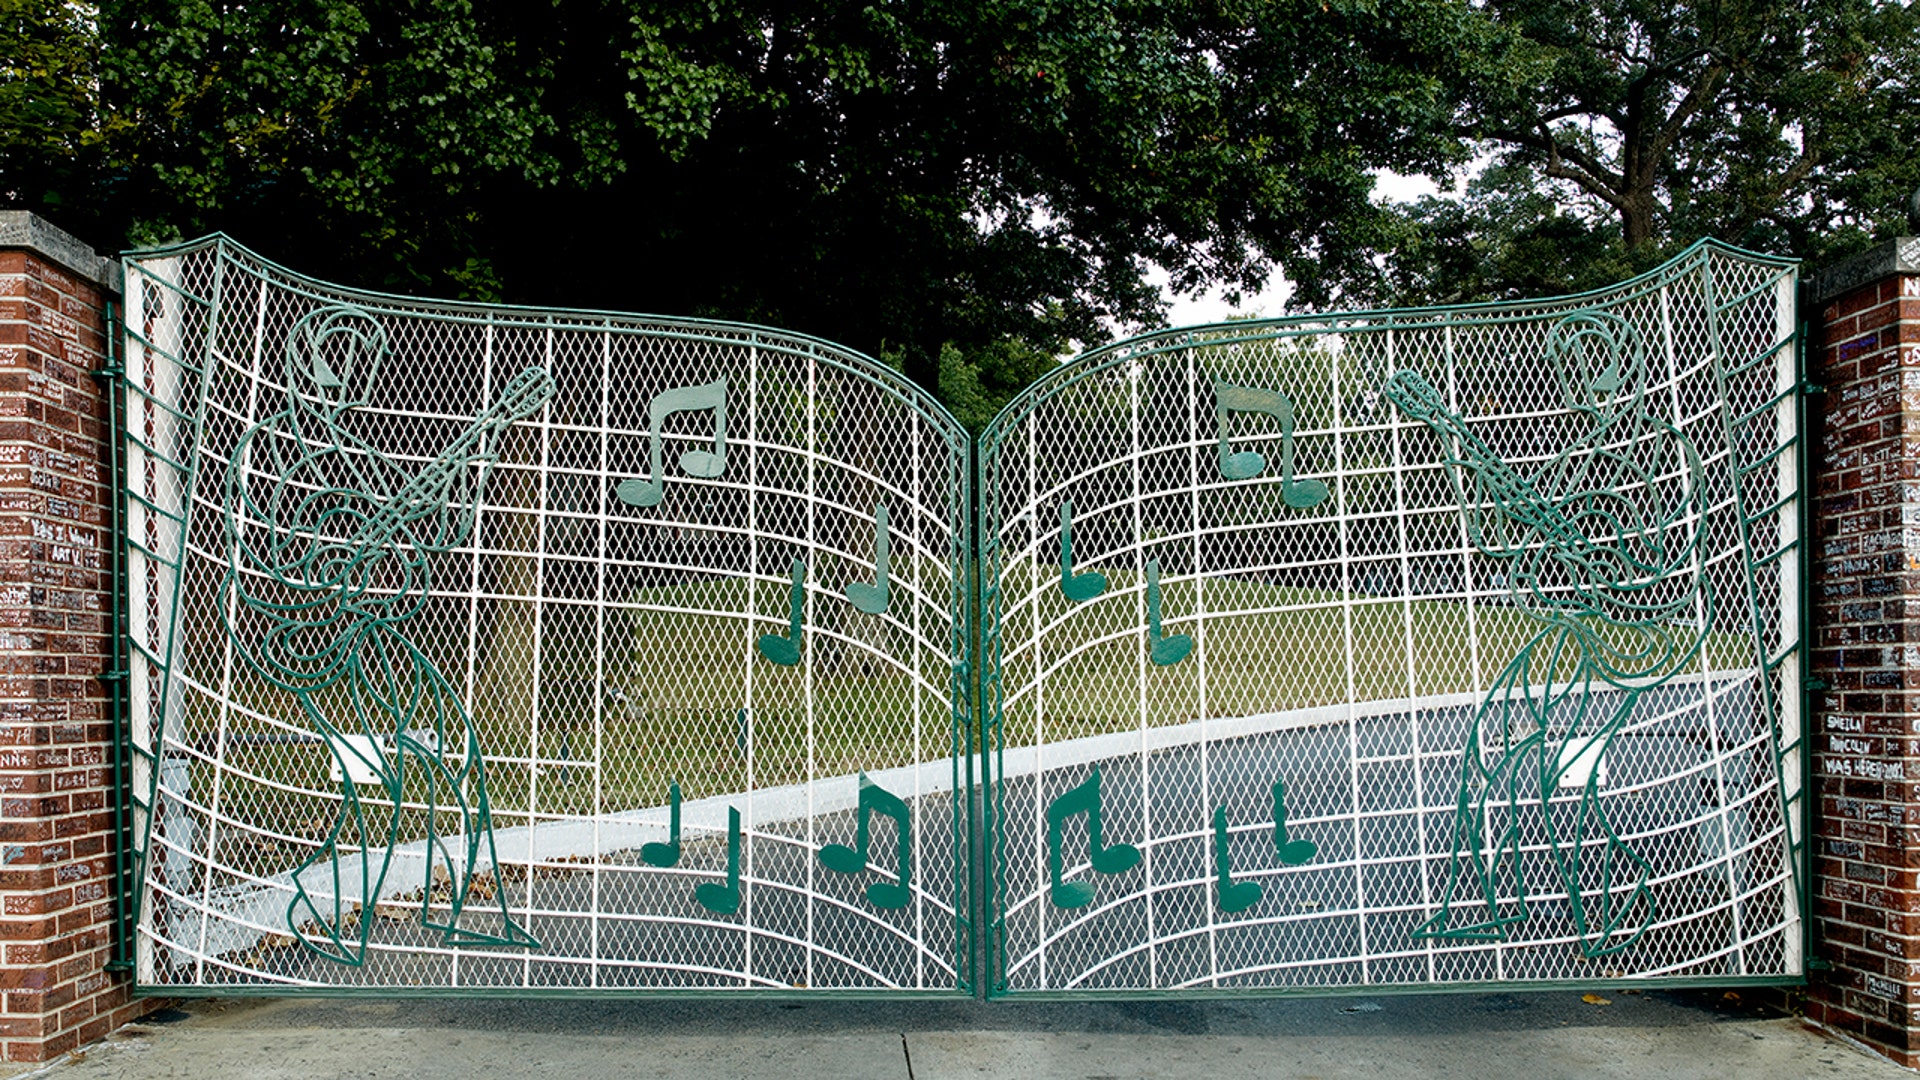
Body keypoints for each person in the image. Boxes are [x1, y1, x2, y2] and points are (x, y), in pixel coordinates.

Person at [222, 304, 553, 964]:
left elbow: (409, 536)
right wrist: (342, 561)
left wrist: (434, 504)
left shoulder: (357, 451)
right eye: (334, 358)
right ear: (309, 363)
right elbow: (271, 542)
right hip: (319, 630)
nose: (345, 374)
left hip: (366, 625)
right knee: (373, 777)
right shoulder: (282, 441)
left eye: (355, 362)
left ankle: (447, 912)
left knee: (442, 759)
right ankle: (323, 916)